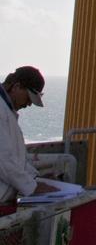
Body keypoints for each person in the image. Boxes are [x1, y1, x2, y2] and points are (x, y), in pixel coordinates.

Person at [0, 67, 52, 207]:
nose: (28, 104)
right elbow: (4, 161)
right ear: (16, 86)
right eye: (28, 98)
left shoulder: (6, 110)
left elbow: (14, 158)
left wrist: (34, 178)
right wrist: (32, 186)